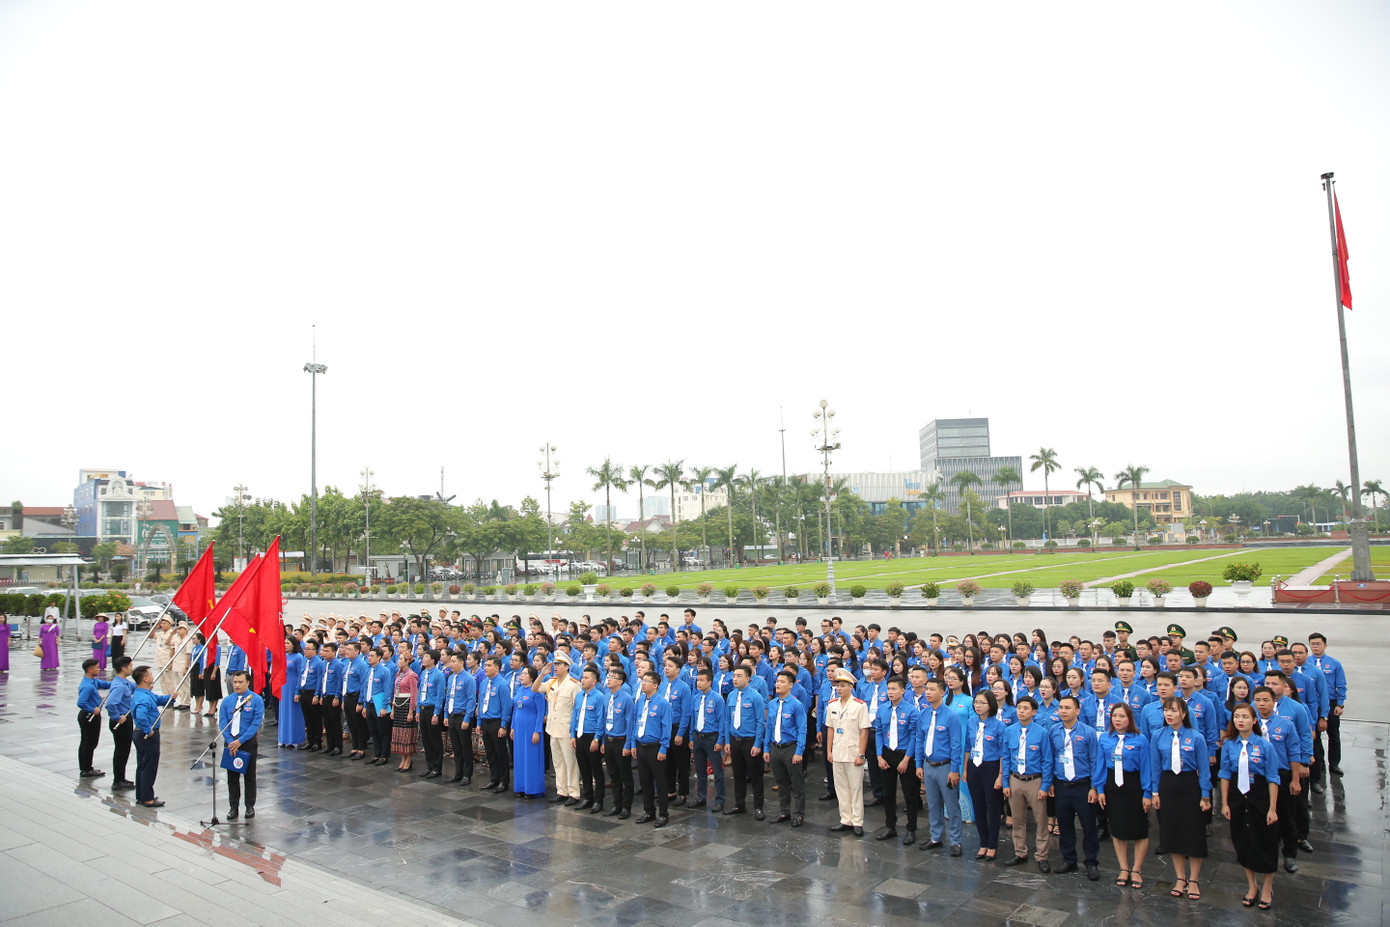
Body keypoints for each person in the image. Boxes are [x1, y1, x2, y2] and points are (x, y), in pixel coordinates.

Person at [1219, 703, 1280, 910]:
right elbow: (1225, 774)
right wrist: (1225, 803)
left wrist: (1272, 808)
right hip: (1238, 796)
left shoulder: (1265, 746)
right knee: (1243, 840)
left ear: (1254, 720)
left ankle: (1267, 887)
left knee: (1265, 840)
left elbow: (1273, 777)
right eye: (1237, 717)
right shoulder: (1229, 744)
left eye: (1245, 717)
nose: (1240, 720)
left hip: (1260, 795)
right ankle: (1252, 886)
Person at [1149, 696, 1211, 900]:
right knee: (1172, 832)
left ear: (1183, 714)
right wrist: (1155, 792)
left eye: (1174, 710)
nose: (1169, 714)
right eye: (1166, 710)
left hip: (1190, 785)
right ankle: (1180, 877)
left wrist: (1205, 795)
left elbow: (1204, 769)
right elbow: (1155, 766)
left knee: (1193, 833)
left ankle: (1194, 880)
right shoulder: (1158, 735)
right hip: (1168, 785)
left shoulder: (1196, 737)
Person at [1095, 703, 1152, 890]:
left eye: (1122, 716)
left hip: (1134, 784)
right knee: (1117, 828)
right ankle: (1124, 867)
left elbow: (1146, 767)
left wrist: (1147, 792)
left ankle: (1137, 869)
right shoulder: (1105, 738)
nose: (1118, 720)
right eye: (1115, 716)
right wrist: (1099, 789)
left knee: (1139, 829)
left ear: (1130, 719)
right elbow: (1100, 765)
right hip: (1113, 785)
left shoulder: (1140, 739)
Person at [1002, 696, 1053, 872]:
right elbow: (1006, 757)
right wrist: (1006, 783)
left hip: (1034, 780)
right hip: (1015, 779)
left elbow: (1047, 760)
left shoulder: (1041, 733)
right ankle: (1019, 851)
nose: (1021, 711)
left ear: (1034, 712)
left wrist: (1045, 786)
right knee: (1017, 819)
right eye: (1019, 708)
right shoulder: (1010, 731)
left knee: (1040, 819)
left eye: (1025, 708)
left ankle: (1042, 855)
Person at [916, 676, 964, 857]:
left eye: (932, 689)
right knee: (933, 803)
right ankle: (936, 837)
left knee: (952, 806)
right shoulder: (923, 714)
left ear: (942, 693)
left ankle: (956, 840)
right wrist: (919, 764)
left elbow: (956, 745)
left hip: (945, 766)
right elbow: (919, 740)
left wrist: (954, 770)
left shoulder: (951, 716)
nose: (928, 692)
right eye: (927, 689)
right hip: (928, 765)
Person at [825, 668, 872, 836]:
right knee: (841, 787)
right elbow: (830, 728)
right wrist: (829, 750)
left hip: (853, 752)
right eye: (838, 685)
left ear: (851, 687)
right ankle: (845, 819)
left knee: (855, 788)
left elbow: (864, 731)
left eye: (843, 685)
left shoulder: (859, 705)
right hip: (838, 750)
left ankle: (857, 821)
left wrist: (861, 754)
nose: (839, 688)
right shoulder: (832, 705)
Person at [873, 675, 919, 844]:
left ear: (903, 690)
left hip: (904, 754)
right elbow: (879, 732)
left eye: (894, 689)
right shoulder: (882, 709)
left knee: (909, 794)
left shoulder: (911, 710)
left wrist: (906, 759)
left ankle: (911, 829)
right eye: (889, 689)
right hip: (887, 753)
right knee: (888, 793)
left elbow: (914, 736)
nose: (890, 692)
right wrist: (879, 756)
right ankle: (890, 826)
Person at [965, 689, 1006, 860]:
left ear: (990, 705)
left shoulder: (999, 726)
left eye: (982, 703)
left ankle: (992, 844)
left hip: (991, 767)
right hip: (974, 766)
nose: (978, 706)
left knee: (993, 807)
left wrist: (1000, 775)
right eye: (976, 702)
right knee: (978, 806)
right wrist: (965, 770)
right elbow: (967, 747)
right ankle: (983, 842)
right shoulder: (971, 722)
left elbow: (1003, 752)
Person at [764, 669, 807, 828]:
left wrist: (799, 751)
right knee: (781, 782)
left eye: (782, 682)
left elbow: (802, 729)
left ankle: (799, 813)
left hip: (791, 747)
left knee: (796, 783)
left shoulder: (796, 705)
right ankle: (784, 811)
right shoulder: (772, 704)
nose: (778, 684)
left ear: (791, 685)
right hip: (776, 747)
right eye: (777, 681)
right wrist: (766, 748)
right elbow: (769, 727)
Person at [220, 670, 264, 820]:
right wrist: (230, 740)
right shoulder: (227, 701)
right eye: (235, 682)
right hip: (231, 742)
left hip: (247, 742)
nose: (237, 685)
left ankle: (249, 806)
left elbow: (255, 723)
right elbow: (223, 722)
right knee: (232, 777)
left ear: (248, 682)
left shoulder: (256, 700)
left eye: (240, 682)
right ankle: (233, 807)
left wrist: (241, 741)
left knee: (249, 776)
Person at [724, 665, 767, 820]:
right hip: (735, 740)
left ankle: (758, 807)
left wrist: (757, 743)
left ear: (748, 678)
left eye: (739, 676)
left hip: (750, 741)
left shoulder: (755, 697)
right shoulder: (731, 696)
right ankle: (739, 804)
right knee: (738, 774)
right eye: (734, 676)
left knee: (756, 776)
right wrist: (727, 741)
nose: (735, 679)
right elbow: (727, 720)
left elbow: (760, 722)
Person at [630, 670, 673, 825]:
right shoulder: (640, 701)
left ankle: (663, 814)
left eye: (647, 681)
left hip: (655, 747)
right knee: (645, 781)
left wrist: (664, 748)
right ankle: (649, 811)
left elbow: (666, 727)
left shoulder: (662, 703)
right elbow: (636, 723)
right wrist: (633, 743)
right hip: (641, 745)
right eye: (643, 681)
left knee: (660, 782)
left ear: (655, 685)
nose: (643, 684)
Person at [538, 652, 581, 804]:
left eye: (559, 664)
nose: (555, 667)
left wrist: (574, 732)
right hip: (553, 727)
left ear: (567, 667)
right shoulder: (551, 681)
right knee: (558, 762)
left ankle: (574, 792)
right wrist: (542, 673)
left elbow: (576, 709)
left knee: (571, 763)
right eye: (555, 664)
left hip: (566, 728)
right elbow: (535, 688)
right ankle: (562, 790)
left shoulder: (574, 684)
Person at [130, 665, 174, 807]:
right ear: (144, 678)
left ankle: (141, 795)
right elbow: (141, 716)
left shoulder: (143, 693)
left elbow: (158, 700)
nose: (152, 676)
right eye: (149, 674)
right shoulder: (143, 698)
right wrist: (148, 731)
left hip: (140, 733)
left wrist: (170, 697)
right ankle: (147, 798)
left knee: (142, 765)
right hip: (146, 734)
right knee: (149, 766)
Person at [571, 663, 609, 811]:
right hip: (579, 734)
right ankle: (587, 797)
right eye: (582, 677)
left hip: (591, 736)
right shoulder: (579, 696)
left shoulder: (599, 697)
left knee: (596, 769)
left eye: (586, 678)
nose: (583, 680)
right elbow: (575, 716)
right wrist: (572, 734)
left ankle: (598, 800)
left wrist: (597, 738)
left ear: (594, 681)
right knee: (584, 768)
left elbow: (601, 719)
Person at [688, 666, 726, 812]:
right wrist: (691, 736)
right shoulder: (696, 698)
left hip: (712, 737)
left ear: (709, 682)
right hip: (698, 736)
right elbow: (693, 718)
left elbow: (721, 721)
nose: (699, 683)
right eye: (698, 680)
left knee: (717, 771)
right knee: (700, 769)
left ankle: (720, 799)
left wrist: (720, 741)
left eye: (702, 680)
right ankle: (701, 796)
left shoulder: (717, 699)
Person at [602, 666, 635, 819]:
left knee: (625, 776)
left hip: (621, 741)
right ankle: (617, 804)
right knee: (613, 775)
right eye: (609, 677)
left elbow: (630, 723)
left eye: (613, 677)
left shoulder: (627, 698)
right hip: (609, 739)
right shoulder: (606, 696)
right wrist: (603, 741)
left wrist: (628, 744)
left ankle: (627, 807)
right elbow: (604, 720)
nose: (609, 679)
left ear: (620, 682)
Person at [478, 656, 513, 791]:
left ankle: (504, 781)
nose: (486, 668)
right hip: (485, 720)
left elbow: (506, 706)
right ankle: (494, 778)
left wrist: (504, 725)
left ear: (497, 668)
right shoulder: (484, 683)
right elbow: (481, 703)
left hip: (497, 722)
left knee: (500, 753)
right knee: (490, 753)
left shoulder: (502, 684)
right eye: (485, 665)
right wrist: (479, 722)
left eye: (489, 666)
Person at [442, 651, 476, 785]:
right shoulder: (451, 678)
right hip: (452, 715)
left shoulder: (468, 679)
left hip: (462, 716)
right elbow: (448, 697)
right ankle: (458, 772)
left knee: (465, 746)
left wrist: (467, 718)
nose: (451, 664)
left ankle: (467, 774)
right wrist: (446, 714)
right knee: (456, 746)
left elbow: (471, 700)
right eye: (450, 661)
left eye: (453, 661)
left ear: (461, 663)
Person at [105, 656, 137, 790]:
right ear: (123, 669)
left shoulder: (124, 682)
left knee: (124, 750)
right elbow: (110, 704)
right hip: (121, 721)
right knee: (121, 751)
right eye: (130, 666)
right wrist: (117, 717)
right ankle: (118, 781)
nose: (132, 668)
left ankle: (121, 778)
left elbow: (133, 687)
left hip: (126, 718)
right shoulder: (119, 686)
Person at [77, 658, 112, 778]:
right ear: (90, 669)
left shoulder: (93, 681)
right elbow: (81, 702)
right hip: (89, 716)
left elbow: (105, 685)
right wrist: (92, 709)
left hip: (91, 715)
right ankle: (86, 769)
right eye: (97, 667)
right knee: (88, 743)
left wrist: (119, 682)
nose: (99, 669)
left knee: (88, 742)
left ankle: (86, 767)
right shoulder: (87, 685)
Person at [415, 648, 445, 776]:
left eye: (426, 657)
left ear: (433, 660)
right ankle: (429, 766)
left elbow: (440, 696)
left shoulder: (439, 675)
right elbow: (420, 693)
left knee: (435, 740)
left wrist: (436, 713)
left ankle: (437, 768)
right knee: (426, 739)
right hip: (423, 708)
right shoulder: (423, 673)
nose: (423, 659)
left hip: (432, 709)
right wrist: (417, 709)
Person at [391, 653, 419, 772]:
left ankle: (408, 759)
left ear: (407, 661)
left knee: (406, 733)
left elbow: (414, 694)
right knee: (399, 733)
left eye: (401, 659)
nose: (398, 661)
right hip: (398, 704)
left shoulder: (411, 675)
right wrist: (393, 708)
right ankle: (402, 758)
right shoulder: (399, 674)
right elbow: (395, 692)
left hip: (407, 705)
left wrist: (411, 711)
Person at [296, 638, 325, 751]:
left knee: (315, 718)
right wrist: (297, 692)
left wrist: (317, 695)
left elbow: (319, 680)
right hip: (304, 691)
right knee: (307, 718)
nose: (305, 651)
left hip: (312, 692)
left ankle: (317, 741)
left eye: (308, 649)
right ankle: (310, 740)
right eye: (305, 649)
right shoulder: (304, 661)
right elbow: (300, 677)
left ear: (315, 650)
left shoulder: (319, 663)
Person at [280, 637, 307, 748]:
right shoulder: (285, 656)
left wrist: (297, 691)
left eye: (288, 643)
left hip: (293, 687)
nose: (285, 645)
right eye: (284, 643)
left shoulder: (299, 657)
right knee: (284, 712)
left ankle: (295, 738)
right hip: (284, 687)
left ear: (294, 644)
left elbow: (300, 675)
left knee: (294, 713)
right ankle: (284, 738)